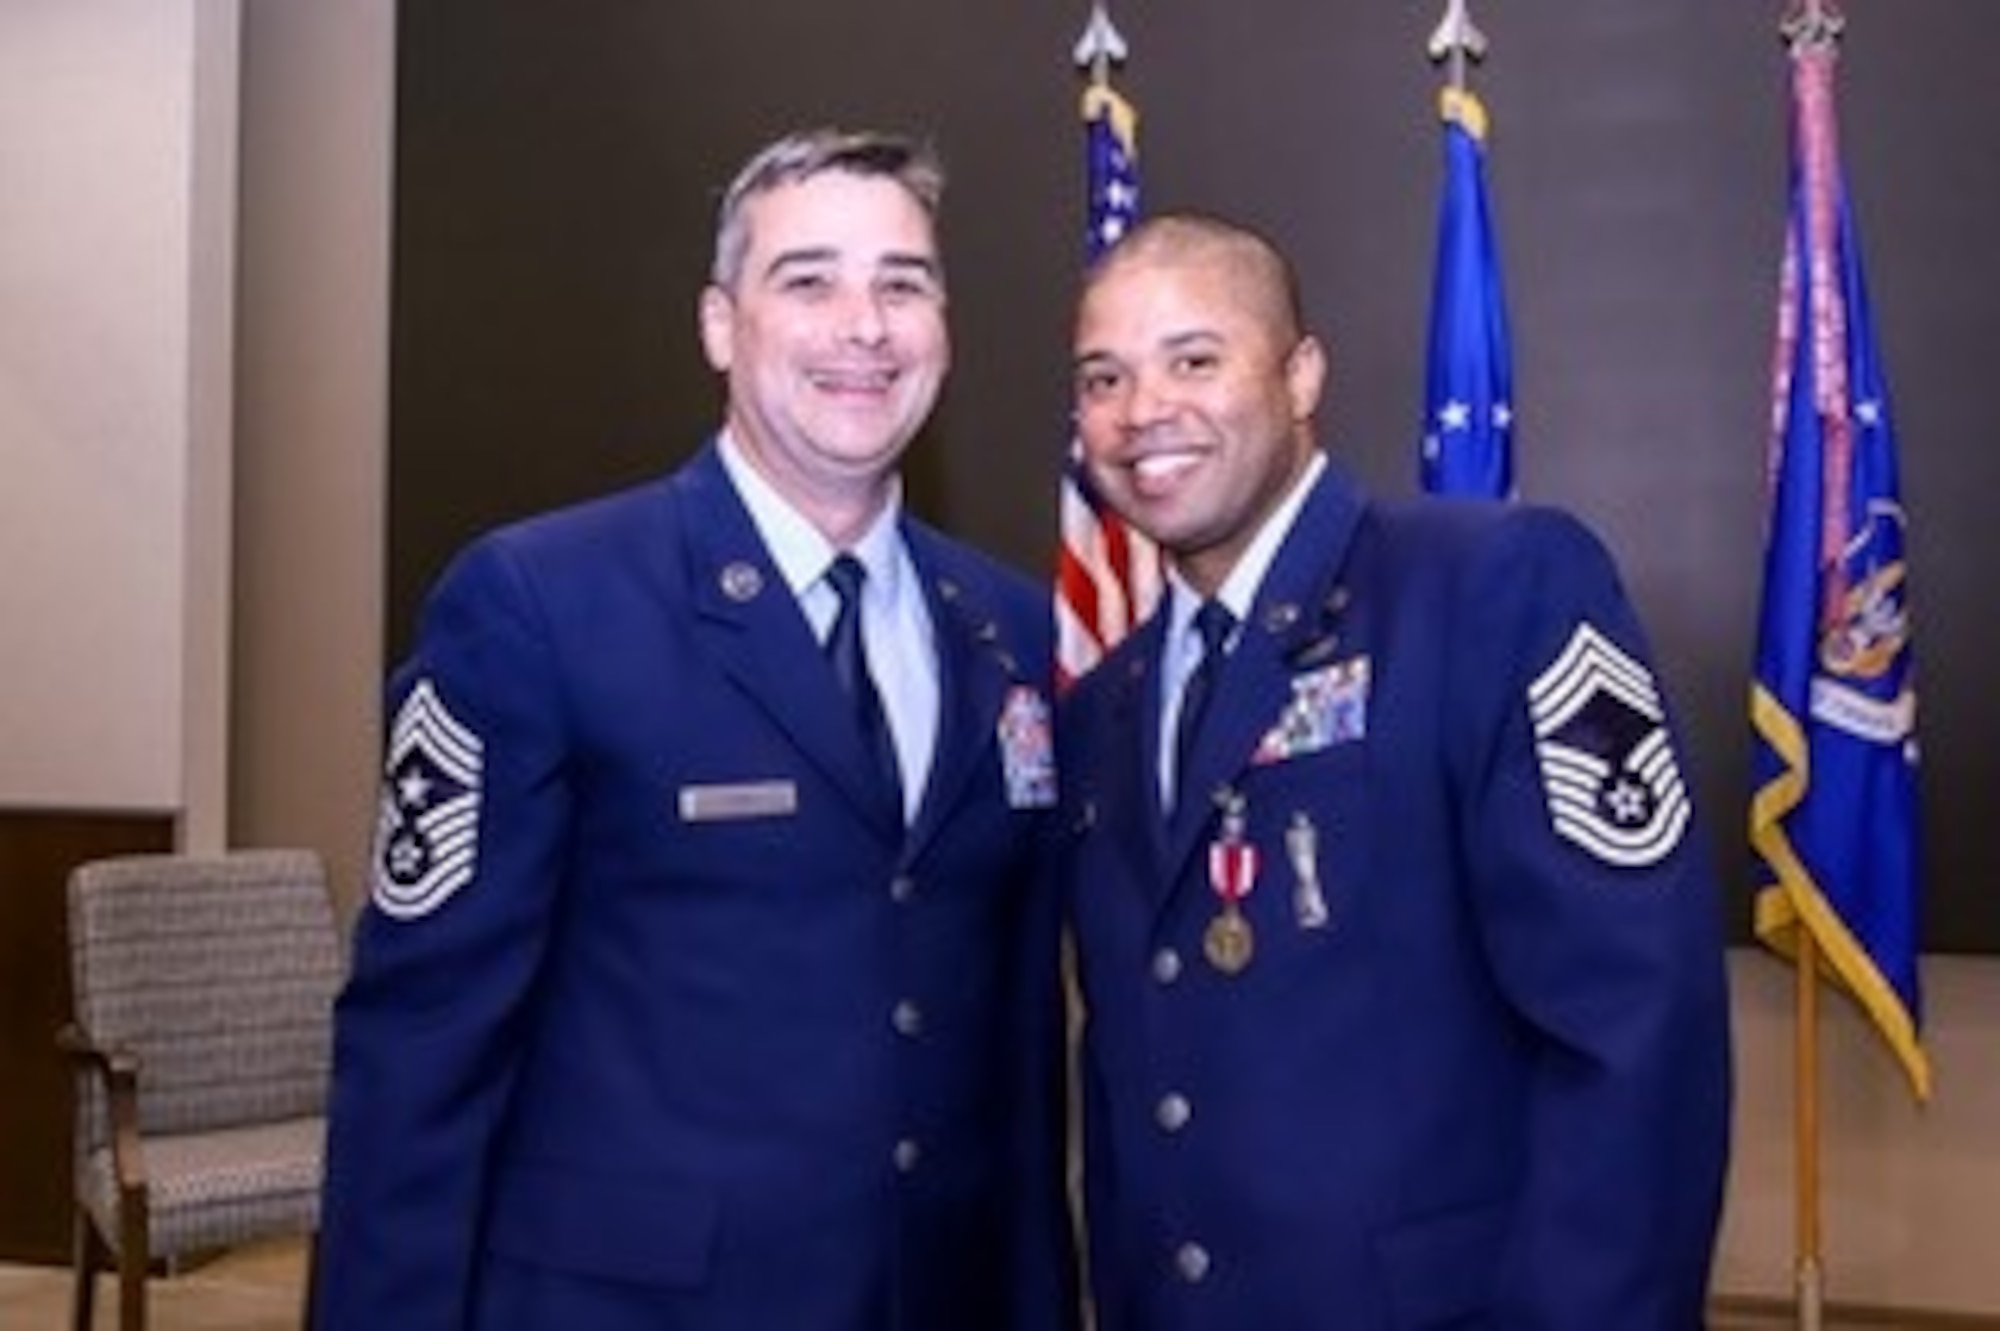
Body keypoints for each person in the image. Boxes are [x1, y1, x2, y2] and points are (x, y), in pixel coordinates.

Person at [314, 128, 1074, 1331]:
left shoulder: (1011, 627)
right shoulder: (536, 602)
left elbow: (1020, 1047)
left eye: (902, 283)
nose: (862, 325)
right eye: (807, 279)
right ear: (721, 325)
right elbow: (422, 1047)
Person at [1057, 213, 1731, 1328]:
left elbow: (1634, 1030)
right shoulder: (1104, 702)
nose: (1142, 412)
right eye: (1102, 377)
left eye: (1193, 358)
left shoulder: (1491, 590)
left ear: (1299, 372)